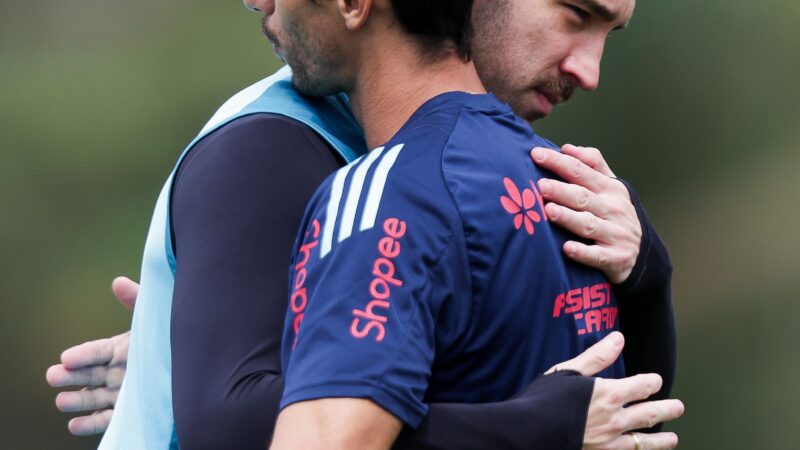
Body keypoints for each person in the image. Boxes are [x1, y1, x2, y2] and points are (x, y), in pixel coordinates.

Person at [45, 0, 680, 449]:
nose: (589, 72)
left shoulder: (506, 169)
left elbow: (620, 415)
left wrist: (646, 269)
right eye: (575, 13)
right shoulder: (272, 147)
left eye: (609, 30)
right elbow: (230, 425)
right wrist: (530, 427)